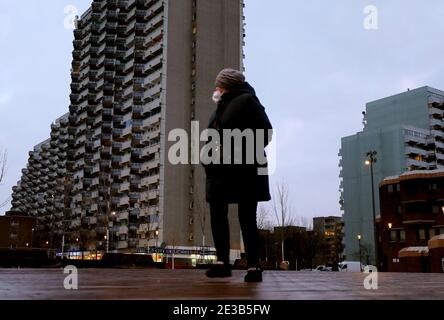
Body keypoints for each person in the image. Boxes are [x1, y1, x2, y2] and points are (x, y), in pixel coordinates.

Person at [203, 68, 273, 282]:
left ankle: (254, 266)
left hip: (245, 170)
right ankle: (222, 262)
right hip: (218, 171)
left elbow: (265, 131)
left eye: (218, 85)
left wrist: (235, 150)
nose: (216, 89)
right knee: (217, 214)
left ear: (227, 86)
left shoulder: (248, 101)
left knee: (247, 217)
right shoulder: (219, 108)